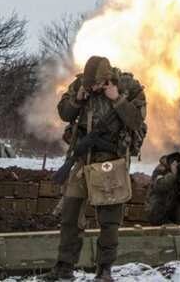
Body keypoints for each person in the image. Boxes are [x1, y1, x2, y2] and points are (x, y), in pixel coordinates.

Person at [46, 56, 146, 282]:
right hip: (82, 160)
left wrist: (117, 100)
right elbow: (64, 113)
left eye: (96, 85)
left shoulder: (129, 87)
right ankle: (64, 267)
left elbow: (136, 122)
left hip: (111, 161)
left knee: (109, 221)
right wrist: (78, 99)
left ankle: (104, 269)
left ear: (107, 79)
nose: (92, 88)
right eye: (89, 84)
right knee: (70, 216)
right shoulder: (79, 85)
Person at [145, 151, 180, 229]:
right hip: (157, 207)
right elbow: (160, 186)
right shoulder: (160, 170)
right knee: (166, 228)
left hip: (173, 206)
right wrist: (173, 175)